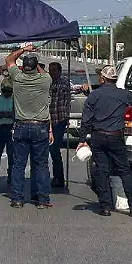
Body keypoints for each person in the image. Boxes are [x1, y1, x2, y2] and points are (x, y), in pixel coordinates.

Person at [78, 65, 132, 217]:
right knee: (124, 171)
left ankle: (105, 206)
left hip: (98, 136)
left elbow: (86, 120)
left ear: (103, 79)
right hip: (116, 136)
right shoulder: (124, 94)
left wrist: (82, 140)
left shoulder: (94, 95)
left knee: (102, 171)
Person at [5, 44, 53, 209]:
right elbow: (43, 72)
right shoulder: (45, 80)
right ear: (36, 67)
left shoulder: (17, 77)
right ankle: (42, 199)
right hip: (40, 127)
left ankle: (17, 198)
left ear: (23, 67)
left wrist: (24, 50)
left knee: (18, 165)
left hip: (21, 126)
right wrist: (35, 61)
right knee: (41, 165)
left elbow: (9, 59)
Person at [47, 62, 74, 191]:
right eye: (50, 70)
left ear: (59, 71)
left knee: (54, 148)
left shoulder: (63, 82)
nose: (52, 72)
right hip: (48, 120)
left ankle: (59, 177)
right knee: (49, 149)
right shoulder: (48, 82)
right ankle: (56, 176)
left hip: (59, 120)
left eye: (54, 70)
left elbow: (74, 89)